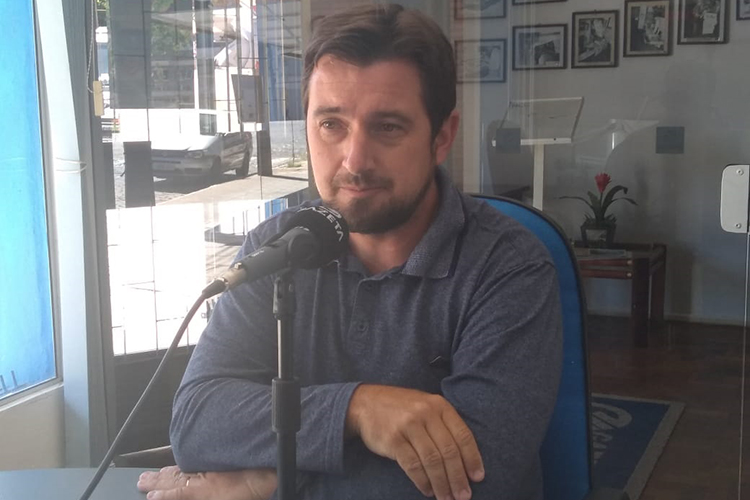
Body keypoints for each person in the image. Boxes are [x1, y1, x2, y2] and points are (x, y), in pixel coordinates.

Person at [138, 4, 562, 500]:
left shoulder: (510, 268)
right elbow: (196, 425)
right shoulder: (276, 248)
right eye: (331, 124)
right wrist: (358, 409)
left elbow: (479, 480)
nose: (354, 160)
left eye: (388, 127)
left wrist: (269, 482)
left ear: (442, 137)